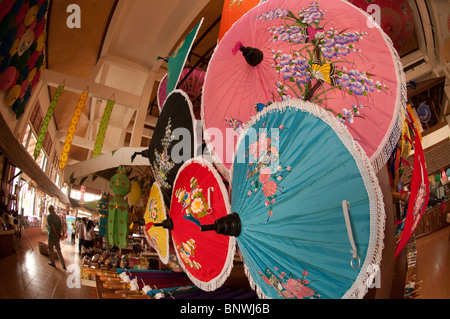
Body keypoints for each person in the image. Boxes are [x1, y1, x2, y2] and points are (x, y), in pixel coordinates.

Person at [46, 205, 66, 270]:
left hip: (52, 236)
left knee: (50, 249)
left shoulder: (49, 216)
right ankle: (63, 264)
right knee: (58, 250)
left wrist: (55, 234)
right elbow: (60, 227)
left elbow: (52, 226)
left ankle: (53, 262)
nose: (48, 210)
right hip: (57, 237)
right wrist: (58, 234)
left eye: (49, 209)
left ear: (50, 209)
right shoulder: (58, 217)